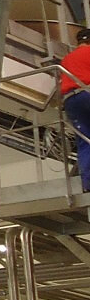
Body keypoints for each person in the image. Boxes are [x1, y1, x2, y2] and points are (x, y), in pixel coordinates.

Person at [60, 27, 90, 192]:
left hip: (71, 100)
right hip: (88, 94)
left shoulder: (67, 59)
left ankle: (88, 185)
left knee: (85, 142)